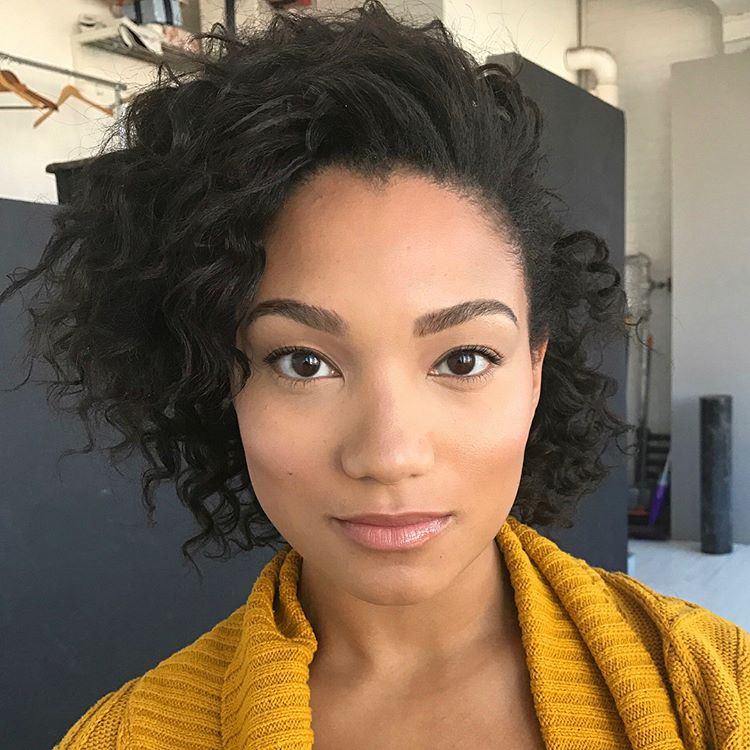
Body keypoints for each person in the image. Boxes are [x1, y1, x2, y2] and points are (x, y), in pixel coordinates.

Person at [2, 1, 747, 748]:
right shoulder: (123, 738)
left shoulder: (713, 688)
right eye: (304, 363)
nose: (389, 455)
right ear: (222, 382)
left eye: (463, 359)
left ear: (534, 373)